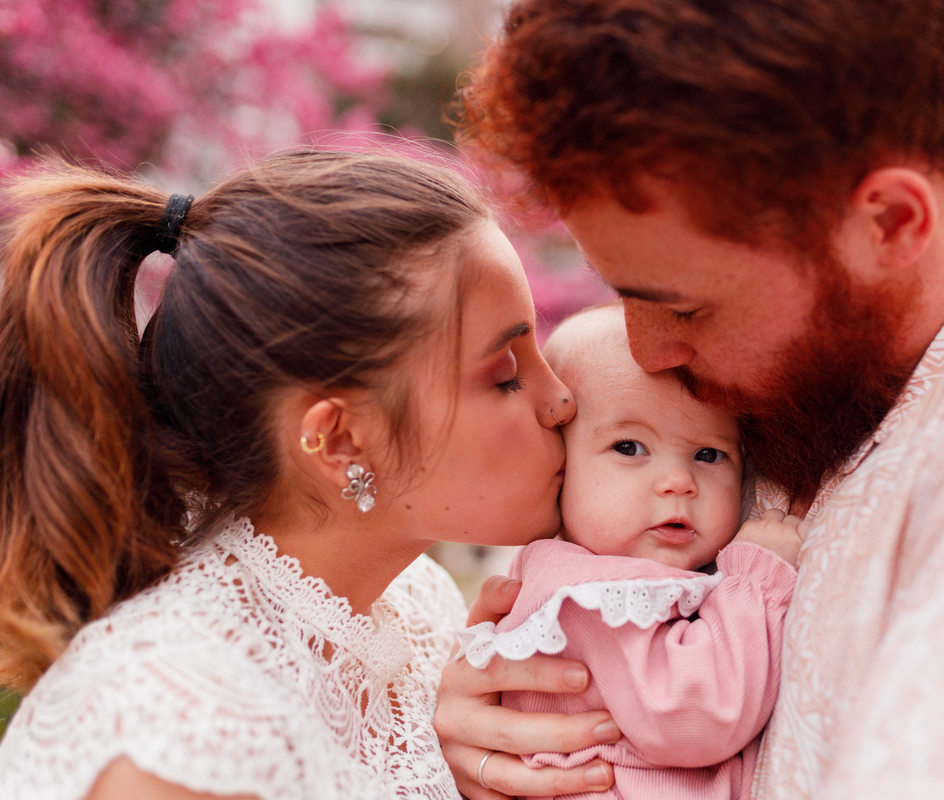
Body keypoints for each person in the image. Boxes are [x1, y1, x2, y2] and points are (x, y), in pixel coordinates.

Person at [435, 1, 944, 798]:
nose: (650, 353)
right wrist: (513, 719)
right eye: (622, 292)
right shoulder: (809, 375)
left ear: (890, 222)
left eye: (686, 308)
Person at [0, 150, 614, 799]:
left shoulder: (418, 609)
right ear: (339, 441)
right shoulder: (179, 733)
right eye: (507, 375)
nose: (561, 400)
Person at [457, 304, 803, 799]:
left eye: (708, 454)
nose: (678, 481)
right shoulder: (586, 596)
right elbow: (696, 715)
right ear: (560, 462)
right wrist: (757, 582)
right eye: (629, 447)